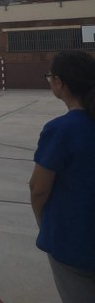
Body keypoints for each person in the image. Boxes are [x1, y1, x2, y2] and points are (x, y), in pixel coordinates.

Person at [29, 50, 95, 302]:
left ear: (59, 82)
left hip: (74, 240)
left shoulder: (61, 130)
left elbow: (38, 189)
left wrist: (43, 222)